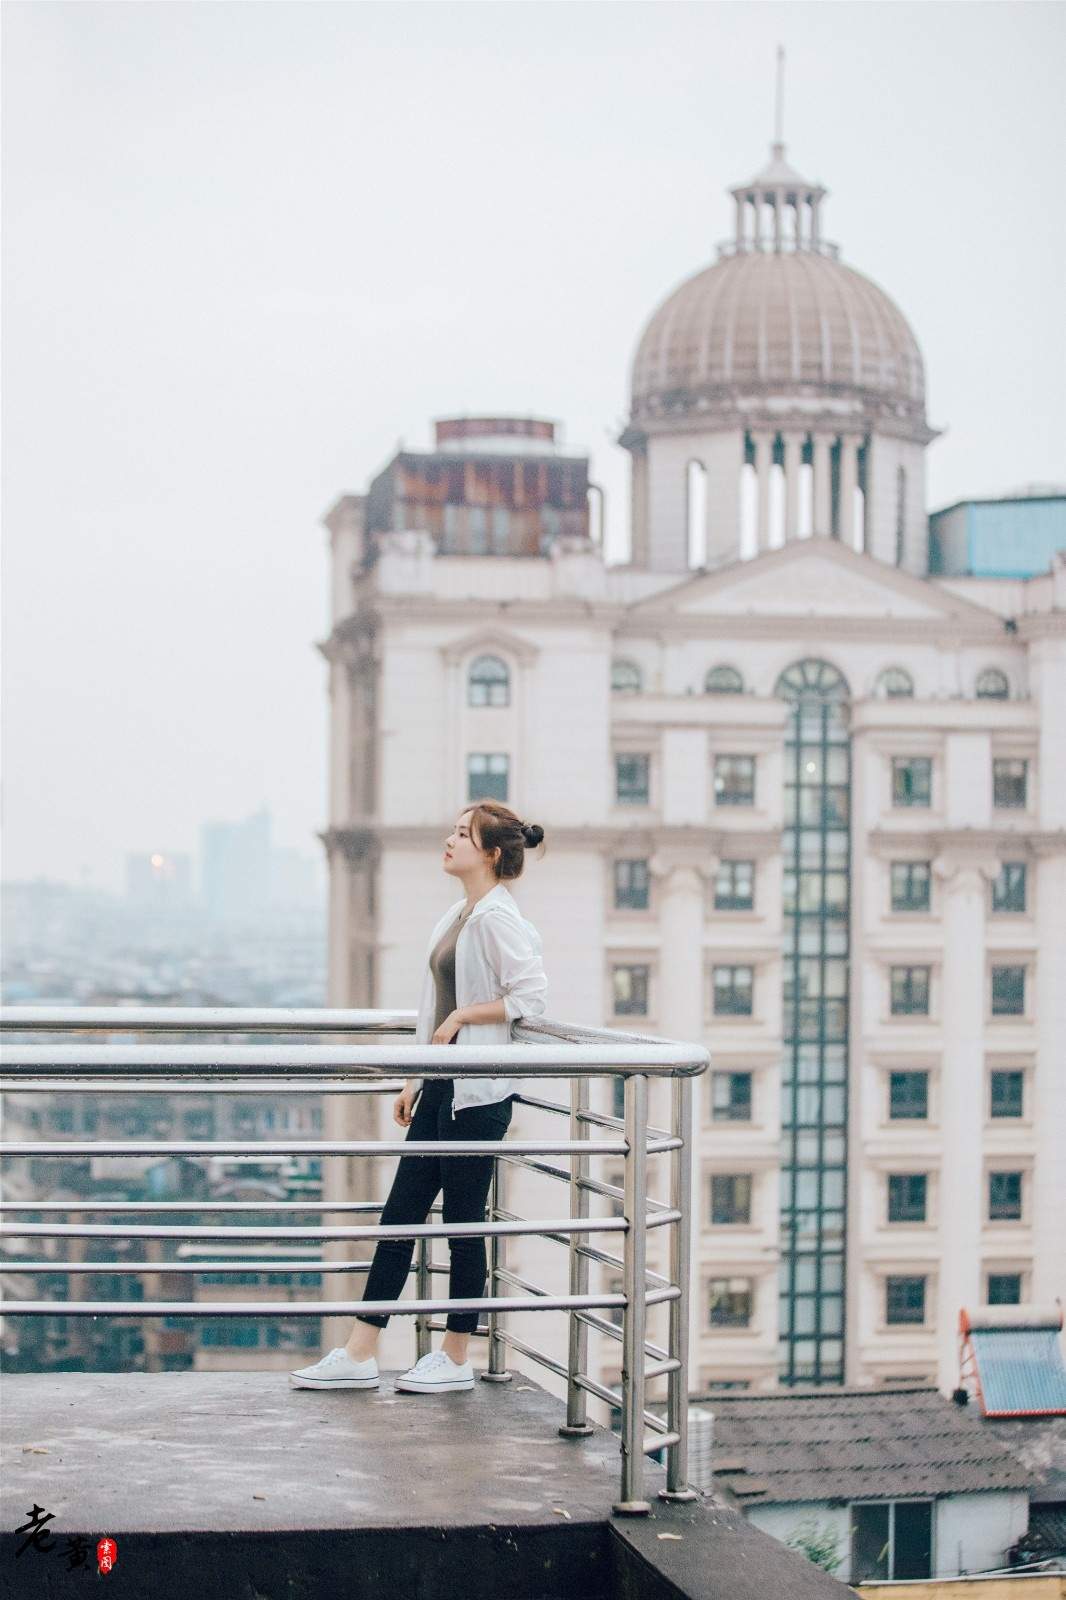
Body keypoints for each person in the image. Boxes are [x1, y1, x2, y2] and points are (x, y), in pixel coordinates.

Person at [290, 799, 547, 1395]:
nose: (449, 840)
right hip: (440, 1087)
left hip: (477, 1097)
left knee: (462, 1226)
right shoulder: (458, 915)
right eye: (452, 830)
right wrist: (414, 1075)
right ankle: (360, 1351)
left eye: (463, 834)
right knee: (399, 1216)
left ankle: (456, 1356)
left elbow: (531, 995)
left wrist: (464, 1016)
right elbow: (429, 1007)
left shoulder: (497, 919)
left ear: (490, 853)